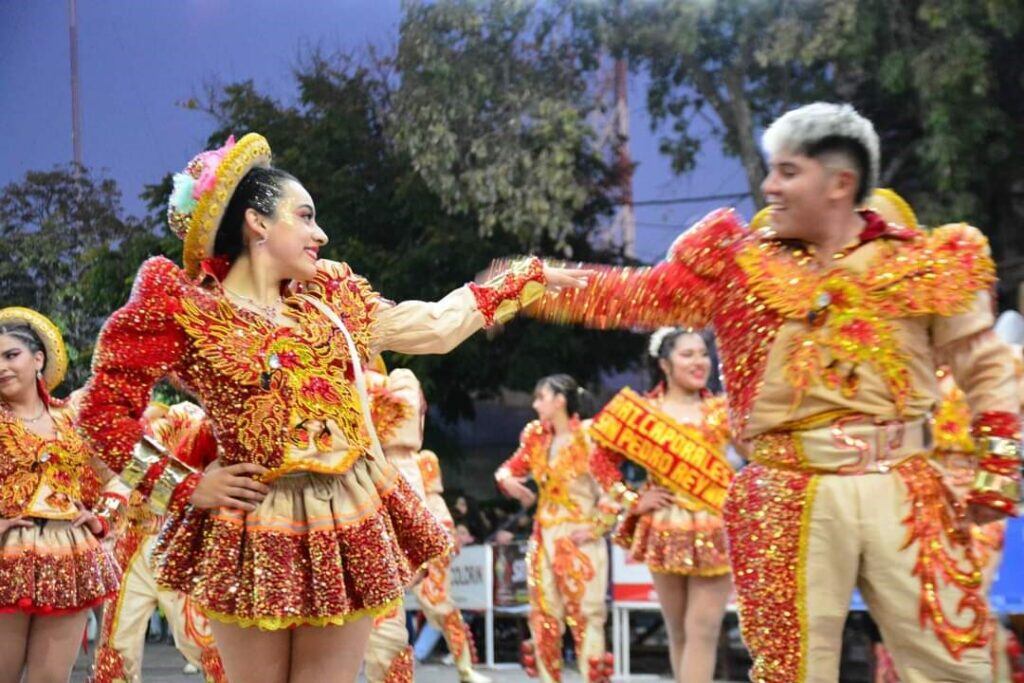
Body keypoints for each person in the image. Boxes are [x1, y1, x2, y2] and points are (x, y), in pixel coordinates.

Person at [524, 103, 1021, 681]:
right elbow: (637, 296)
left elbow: (986, 368)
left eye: (787, 171)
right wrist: (531, 286)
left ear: (841, 183)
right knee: (791, 671)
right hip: (787, 491)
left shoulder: (924, 262)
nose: (768, 187)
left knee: (955, 664)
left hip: (906, 487)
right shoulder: (739, 264)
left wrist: (997, 466)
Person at [76, 133, 590, 683]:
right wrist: (182, 485)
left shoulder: (331, 302)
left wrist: (524, 279)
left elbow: (435, 327)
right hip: (251, 517)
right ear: (257, 222)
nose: (320, 234)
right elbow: (101, 414)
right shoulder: (186, 308)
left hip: (345, 513)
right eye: (305, 216)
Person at [589, 327, 734, 682]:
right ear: (664, 363)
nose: (699, 361)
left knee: (703, 630)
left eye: (703, 353)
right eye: (688, 355)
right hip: (664, 524)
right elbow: (600, 461)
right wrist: (633, 500)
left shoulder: (722, 408)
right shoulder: (640, 412)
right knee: (679, 631)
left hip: (714, 523)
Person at [0, 307, 120, 683]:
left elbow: (126, 472)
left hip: (70, 556)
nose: (1, 367)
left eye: (10, 355)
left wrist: (104, 516)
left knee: (51, 678)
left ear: (39, 359)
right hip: (6, 554)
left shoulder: (74, 420)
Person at [92, 400, 226, 683]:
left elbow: (134, 478)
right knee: (118, 642)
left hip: (178, 545)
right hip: (130, 549)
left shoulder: (191, 420)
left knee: (201, 639)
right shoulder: (110, 423)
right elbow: (122, 479)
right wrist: (102, 521)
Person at [496, 374, 614, 683]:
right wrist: (508, 480)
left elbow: (612, 490)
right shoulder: (536, 436)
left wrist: (596, 528)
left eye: (540, 397)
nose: (535, 404)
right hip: (544, 537)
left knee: (587, 617)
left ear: (560, 400)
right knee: (543, 618)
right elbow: (510, 467)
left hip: (580, 539)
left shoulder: (589, 436)